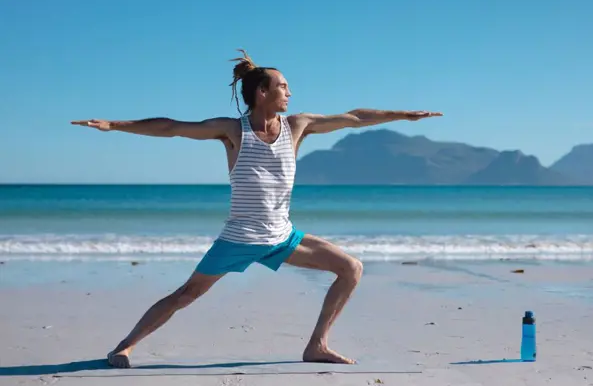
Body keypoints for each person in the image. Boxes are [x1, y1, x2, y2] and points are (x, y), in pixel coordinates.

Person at [71, 49, 442, 367]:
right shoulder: (232, 130)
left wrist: (402, 115)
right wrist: (115, 125)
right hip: (238, 238)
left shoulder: (298, 126)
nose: (290, 93)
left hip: (283, 237)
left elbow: (355, 117)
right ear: (262, 92)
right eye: (283, 87)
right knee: (186, 295)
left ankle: (317, 345)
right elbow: (172, 127)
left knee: (351, 268)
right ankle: (124, 346)